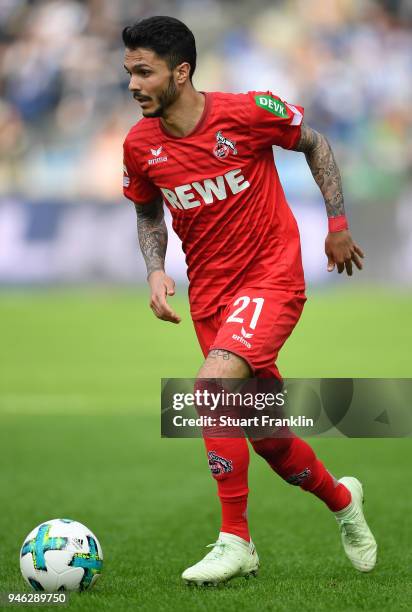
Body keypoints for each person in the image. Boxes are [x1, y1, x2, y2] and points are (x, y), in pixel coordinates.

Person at [121, 16, 377, 586]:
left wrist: (337, 224)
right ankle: (343, 501)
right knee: (267, 436)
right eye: (129, 72)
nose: (134, 84)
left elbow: (316, 142)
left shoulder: (248, 112)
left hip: (271, 278)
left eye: (145, 72)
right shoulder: (140, 144)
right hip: (210, 297)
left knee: (210, 389)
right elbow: (146, 210)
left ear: (181, 73)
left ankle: (236, 540)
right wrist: (156, 269)